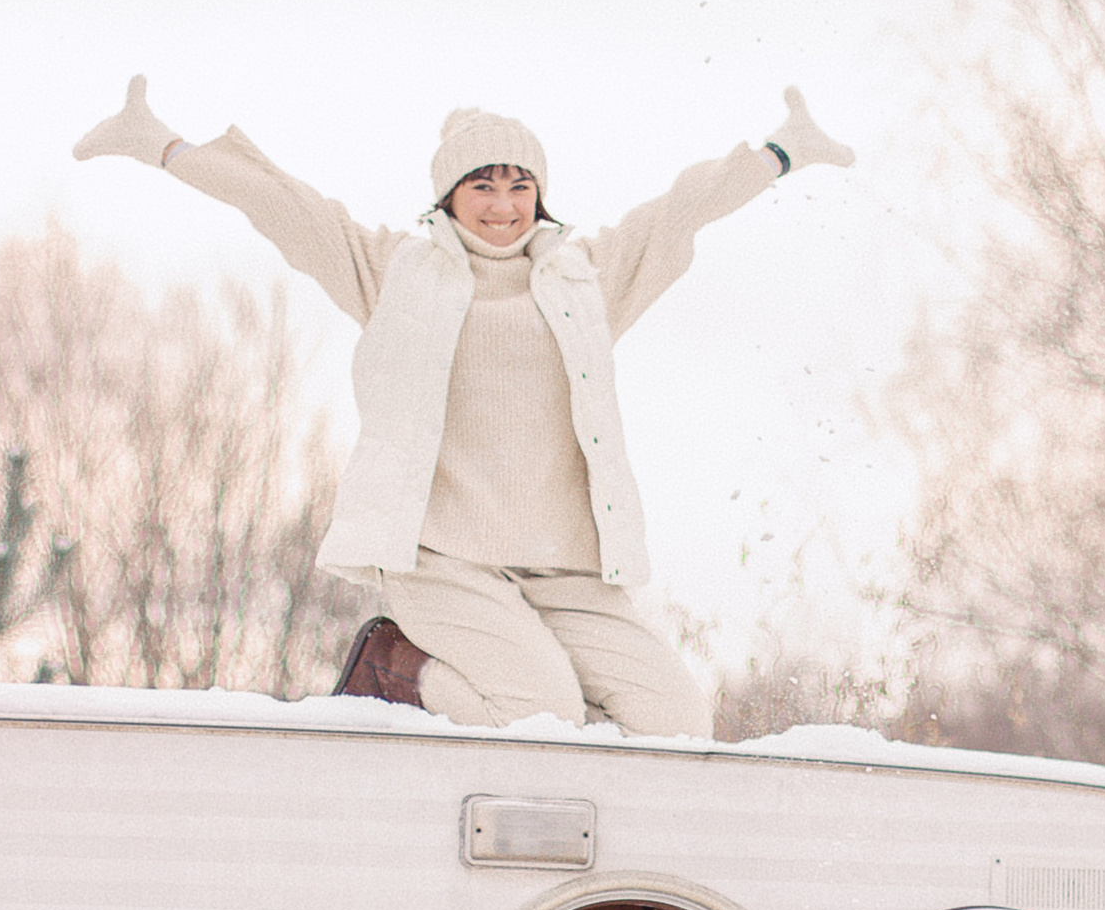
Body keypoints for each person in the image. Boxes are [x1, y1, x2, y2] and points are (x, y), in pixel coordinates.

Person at [73, 77, 854, 731]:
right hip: (441, 557)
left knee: (676, 720)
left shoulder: (587, 280)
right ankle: (395, 665)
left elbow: (679, 210)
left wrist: (779, 154)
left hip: (566, 563)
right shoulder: (395, 274)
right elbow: (285, 206)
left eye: (520, 184)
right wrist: (163, 146)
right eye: (482, 184)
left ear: (541, 195)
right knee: (541, 713)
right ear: (449, 195)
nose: (503, 203)